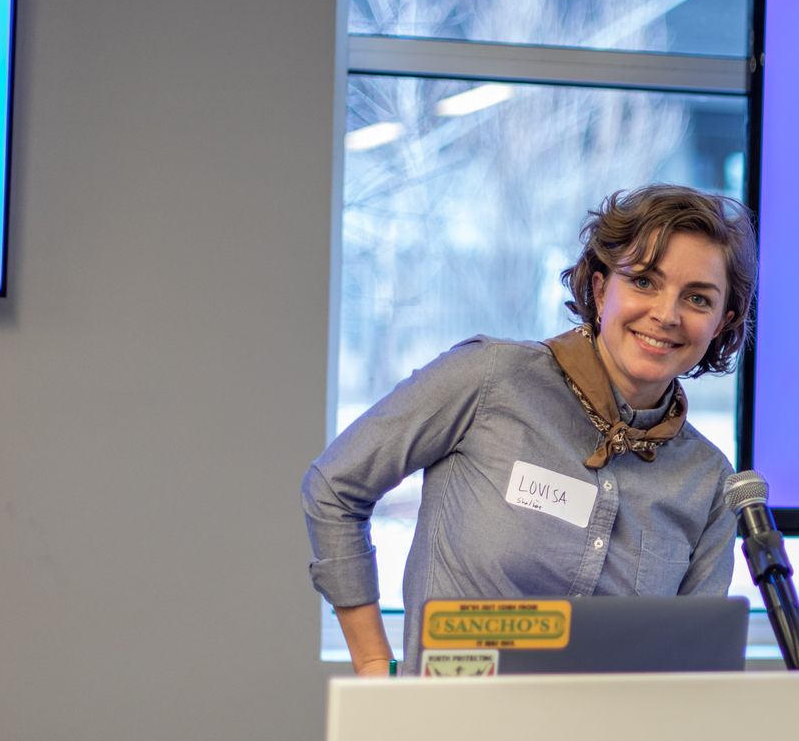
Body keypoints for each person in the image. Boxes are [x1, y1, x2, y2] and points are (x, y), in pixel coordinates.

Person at [303, 185, 757, 675]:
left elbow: (690, 670)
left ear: (721, 323)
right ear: (602, 289)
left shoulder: (710, 483)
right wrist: (373, 662)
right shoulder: (488, 379)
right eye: (645, 281)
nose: (667, 315)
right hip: (446, 736)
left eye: (697, 298)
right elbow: (333, 487)